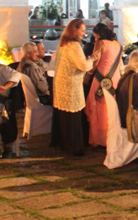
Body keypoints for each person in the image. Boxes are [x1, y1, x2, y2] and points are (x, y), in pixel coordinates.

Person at [52, 19, 94, 156]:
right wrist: (92, 59)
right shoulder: (74, 45)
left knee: (64, 117)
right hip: (70, 84)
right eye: (82, 30)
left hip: (61, 82)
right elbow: (83, 66)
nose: (84, 33)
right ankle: (74, 146)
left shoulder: (63, 43)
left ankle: (64, 143)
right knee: (73, 117)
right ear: (74, 30)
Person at [85, 23, 123, 147]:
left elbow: (95, 63)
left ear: (99, 34)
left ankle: (100, 138)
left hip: (101, 78)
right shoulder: (118, 44)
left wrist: (88, 76)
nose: (94, 38)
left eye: (95, 35)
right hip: (115, 78)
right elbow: (120, 64)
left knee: (99, 106)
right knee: (112, 107)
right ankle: (112, 135)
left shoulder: (100, 43)